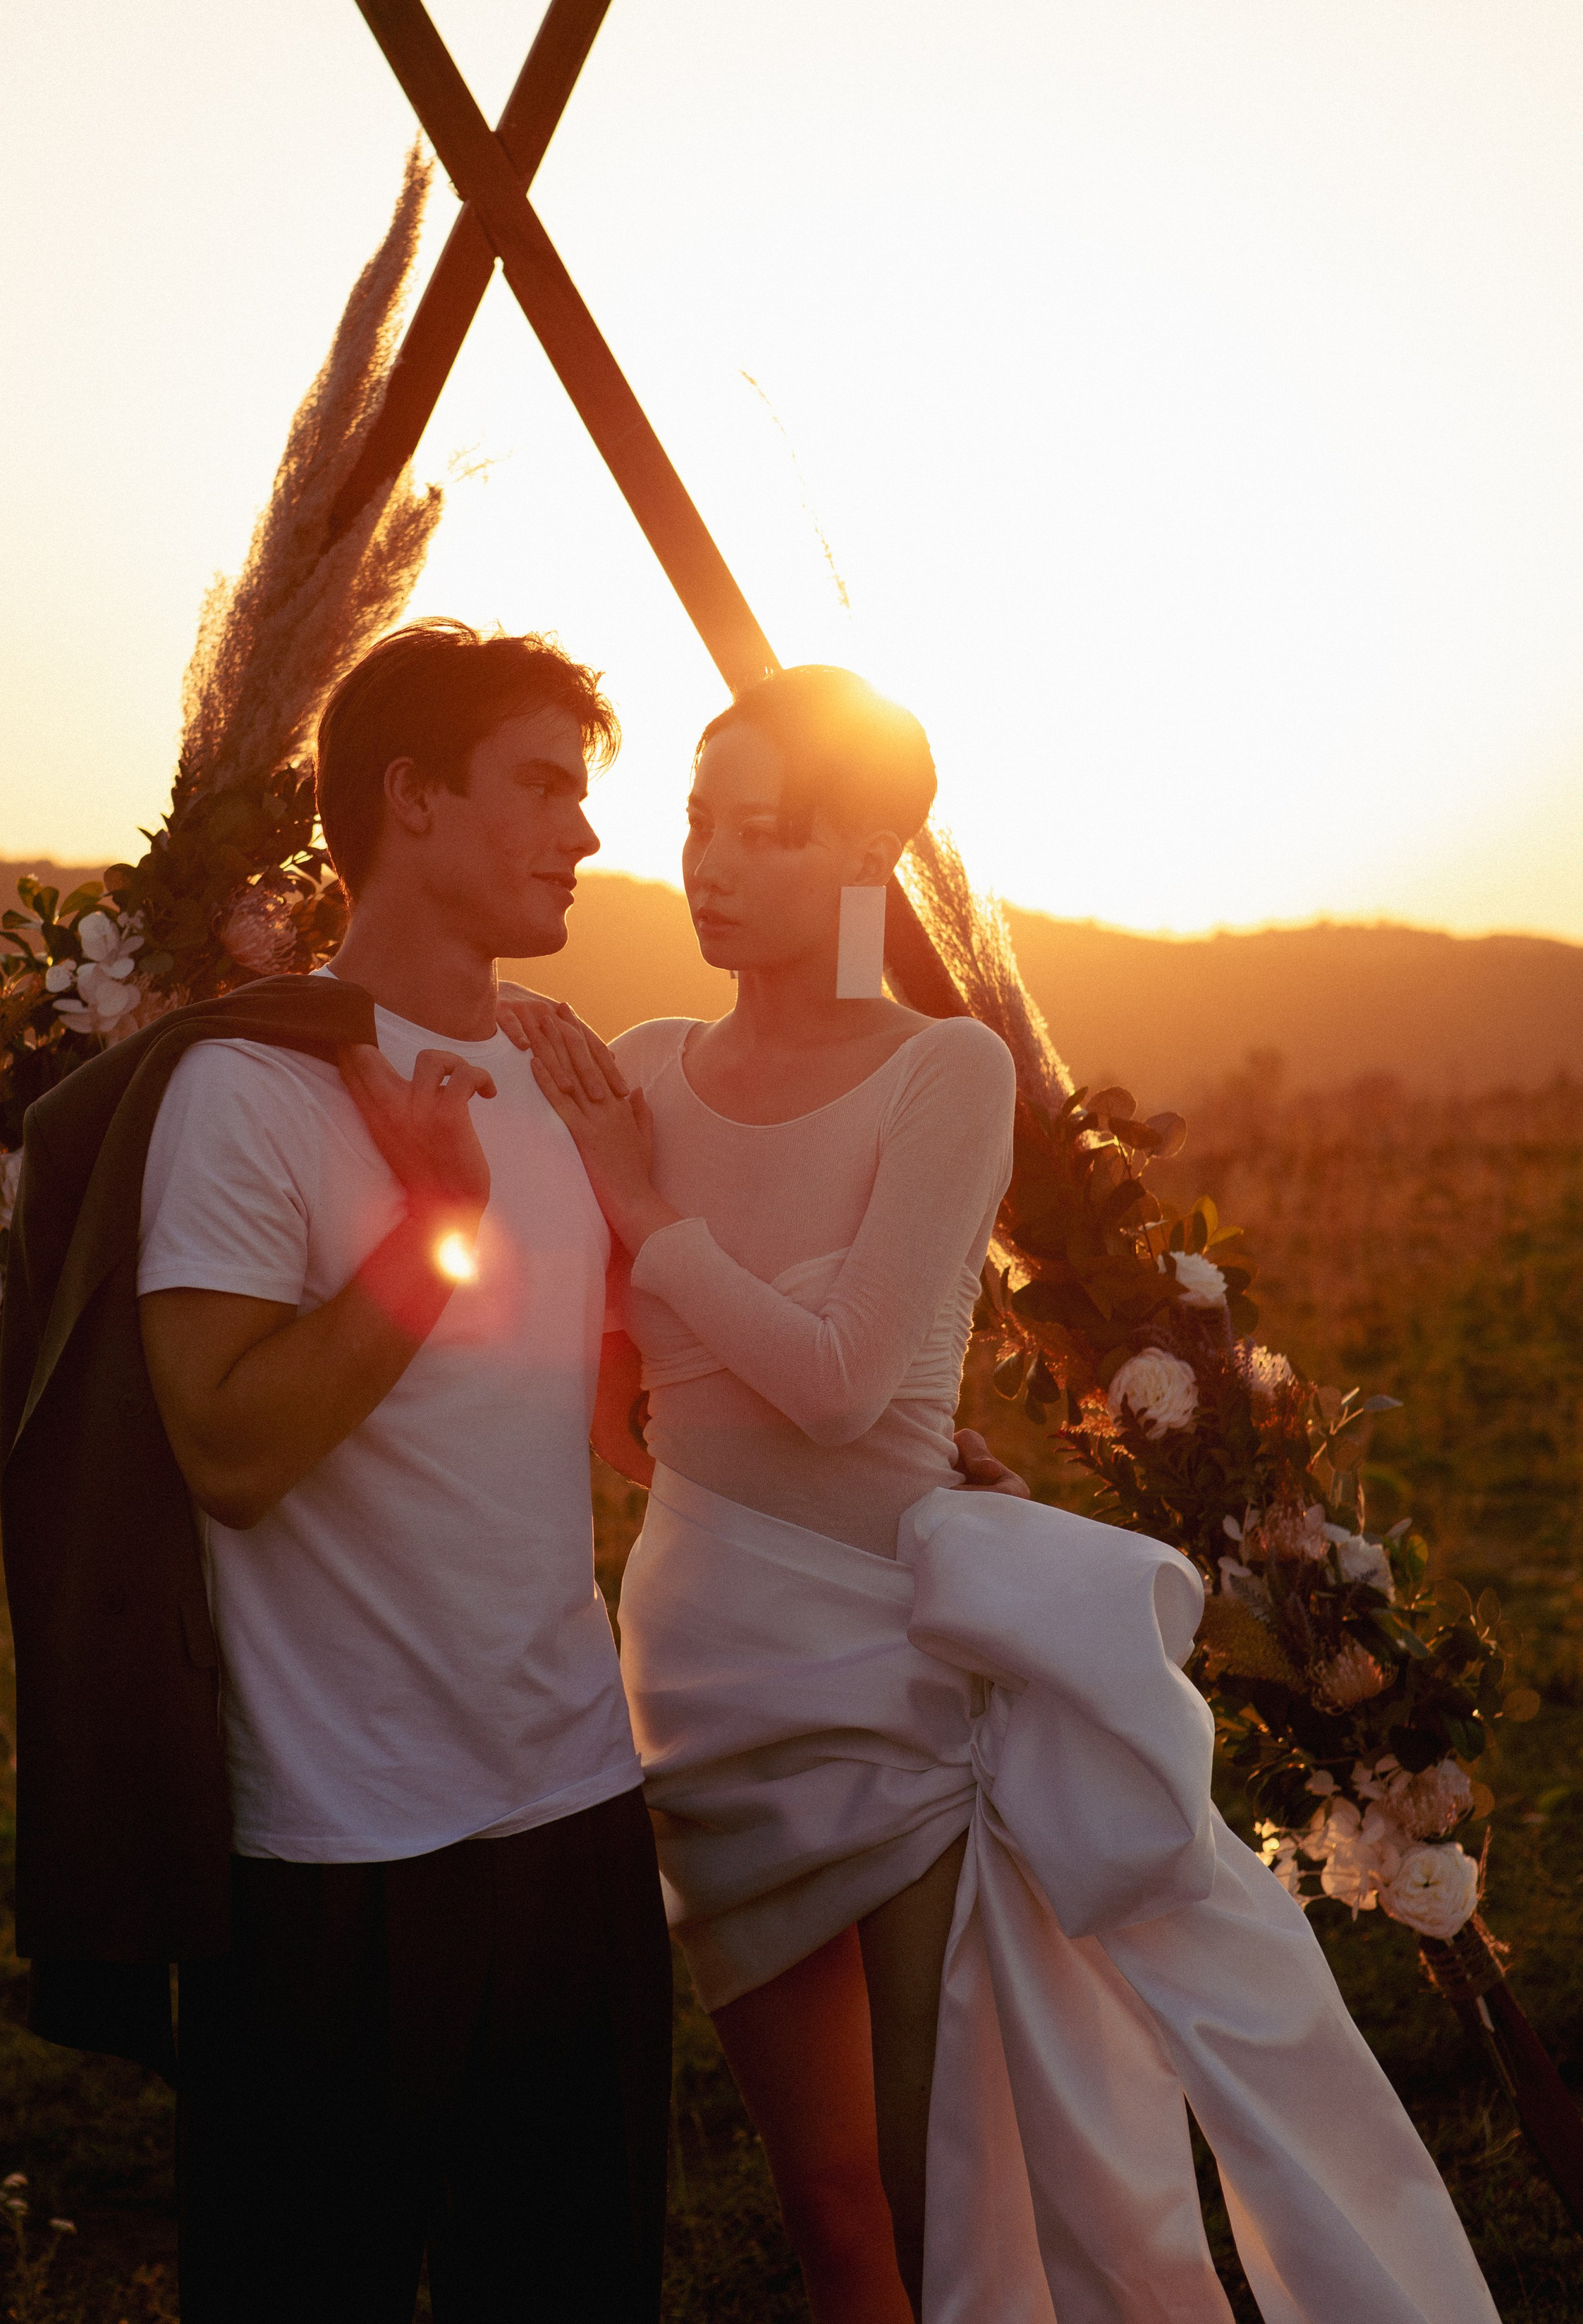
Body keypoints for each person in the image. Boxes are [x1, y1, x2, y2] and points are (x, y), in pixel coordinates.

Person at [505, 664, 1501, 2324]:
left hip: (886, 1670)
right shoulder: (640, 1067)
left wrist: (643, 1213)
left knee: (930, 2171)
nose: (703, 862)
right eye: (693, 821)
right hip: (697, 1658)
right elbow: (621, 1389)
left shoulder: (941, 1072)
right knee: (822, 2208)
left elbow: (834, 1376)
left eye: (757, 829)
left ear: (868, 844)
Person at [6, 621, 671, 2324]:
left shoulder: (560, 1079)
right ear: (411, 798)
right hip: (338, 1853)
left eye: (582, 796)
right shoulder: (251, 1087)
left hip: (576, 1806)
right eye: (541, 786)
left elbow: (612, 1418)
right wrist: (431, 1232)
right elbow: (226, 1444)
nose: (585, 835)